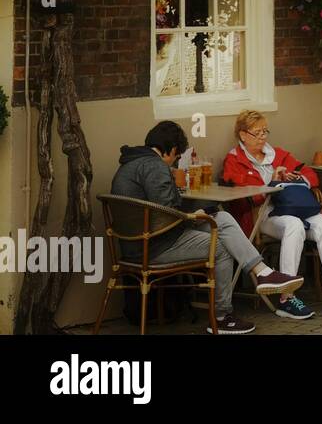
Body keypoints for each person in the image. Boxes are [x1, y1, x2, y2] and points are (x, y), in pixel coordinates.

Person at [110, 121, 304, 334]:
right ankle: (221, 317)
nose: (174, 162)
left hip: (139, 242)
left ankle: (263, 271)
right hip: (154, 245)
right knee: (219, 246)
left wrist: (196, 215)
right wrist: (192, 217)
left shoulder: (130, 164)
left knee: (222, 218)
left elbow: (159, 209)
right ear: (173, 149)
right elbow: (166, 212)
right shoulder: (155, 166)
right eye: (176, 157)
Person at [221, 110, 322, 319]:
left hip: (294, 207)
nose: (263, 137)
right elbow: (244, 194)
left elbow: (310, 175)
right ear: (243, 135)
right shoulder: (234, 160)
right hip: (262, 216)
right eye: (257, 133)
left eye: (265, 131)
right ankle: (286, 297)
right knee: (294, 226)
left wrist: (294, 177)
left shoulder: (278, 154)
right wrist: (271, 182)